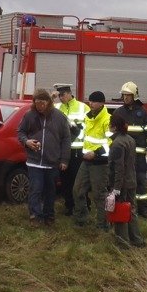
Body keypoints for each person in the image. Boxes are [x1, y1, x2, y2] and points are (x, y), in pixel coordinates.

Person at [17, 88, 71, 226]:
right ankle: (35, 216)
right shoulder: (30, 116)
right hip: (34, 162)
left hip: (52, 161)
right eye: (37, 103)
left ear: (48, 102)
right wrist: (26, 142)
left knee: (50, 190)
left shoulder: (59, 117)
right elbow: (21, 132)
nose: (40, 106)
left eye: (42, 103)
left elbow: (66, 139)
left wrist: (64, 159)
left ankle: (49, 215)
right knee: (36, 189)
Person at [112, 82, 147, 218]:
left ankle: (144, 210)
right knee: (126, 182)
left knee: (141, 181)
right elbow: (113, 133)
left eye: (128, 95)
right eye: (124, 95)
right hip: (124, 155)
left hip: (139, 155)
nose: (125, 98)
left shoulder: (142, 112)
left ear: (134, 96)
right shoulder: (118, 112)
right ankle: (129, 209)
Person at [73, 91, 111, 230]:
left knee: (99, 195)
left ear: (102, 103)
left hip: (100, 163)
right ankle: (81, 219)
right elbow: (82, 135)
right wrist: (73, 129)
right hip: (86, 161)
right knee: (77, 190)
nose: (91, 104)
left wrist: (95, 153)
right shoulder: (88, 117)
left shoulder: (107, 120)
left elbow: (111, 143)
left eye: (94, 102)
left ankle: (103, 225)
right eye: (90, 101)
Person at [107, 114, 145, 248]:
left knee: (120, 211)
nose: (108, 126)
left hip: (121, 184)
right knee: (131, 210)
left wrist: (116, 188)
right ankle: (137, 239)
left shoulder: (117, 144)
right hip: (131, 181)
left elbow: (119, 167)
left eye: (110, 124)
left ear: (114, 126)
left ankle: (122, 242)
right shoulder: (130, 139)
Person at [53, 83, 89, 216]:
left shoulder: (82, 107)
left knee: (78, 181)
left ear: (69, 93)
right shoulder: (57, 107)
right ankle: (69, 206)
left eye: (62, 95)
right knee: (65, 180)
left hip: (77, 151)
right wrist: (52, 98)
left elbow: (87, 129)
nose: (61, 98)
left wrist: (74, 132)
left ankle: (83, 206)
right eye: (59, 95)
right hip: (62, 151)